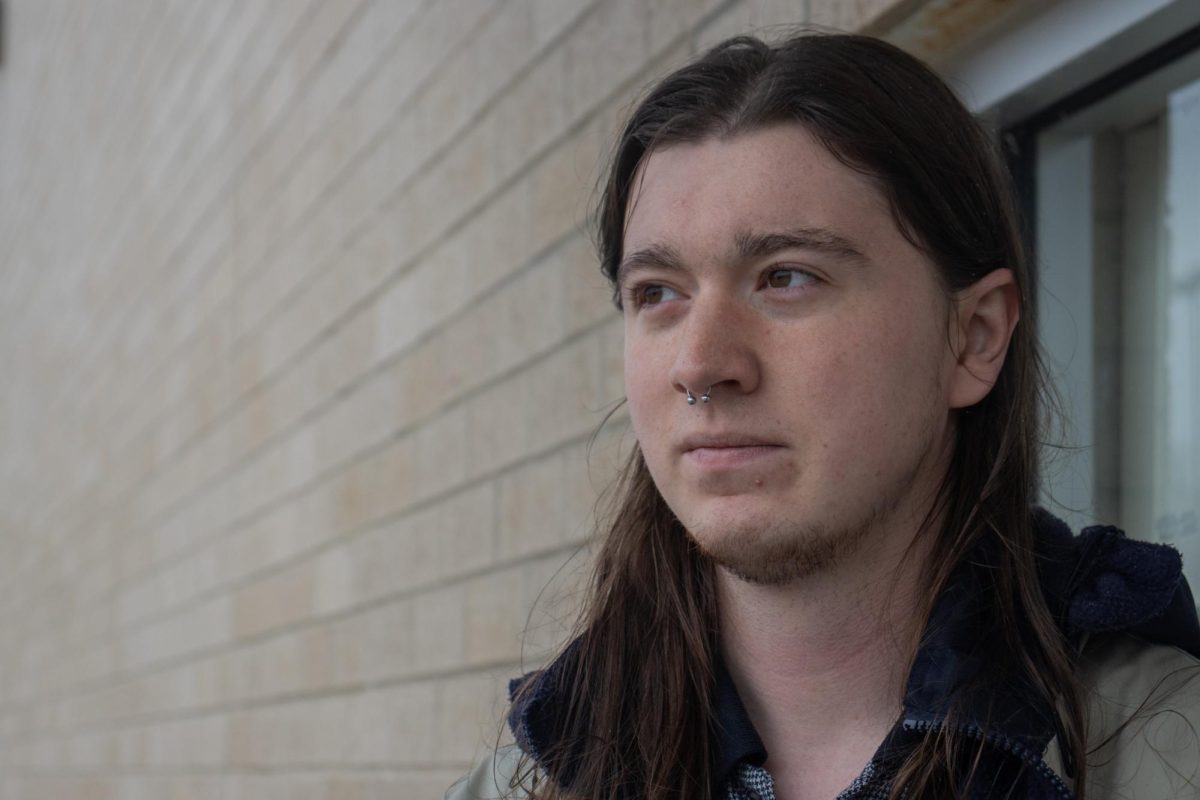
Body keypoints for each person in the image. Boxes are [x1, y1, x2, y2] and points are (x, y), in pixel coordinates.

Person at [446, 30, 1200, 800]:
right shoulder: (522, 786)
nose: (700, 365)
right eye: (658, 293)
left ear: (973, 337)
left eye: (787, 277)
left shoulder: (1168, 757)